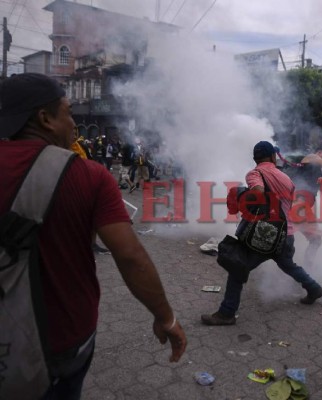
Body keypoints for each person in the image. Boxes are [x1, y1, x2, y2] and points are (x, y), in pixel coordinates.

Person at [0, 73, 187, 398]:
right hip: (60, 342)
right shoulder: (87, 175)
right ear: (45, 119)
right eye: (68, 112)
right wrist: (165, 316)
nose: (73, 123)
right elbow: (129, 255)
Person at [201, 141, 322, 326]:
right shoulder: (286, 179)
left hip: (265, 235)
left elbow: (258, 191)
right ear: (274, 157)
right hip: (286, 234)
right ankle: (314, 288)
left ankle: (227, 313)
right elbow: (287, 204)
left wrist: (245, 198)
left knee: (237, 267)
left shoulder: (255, 173)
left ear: (255, 159)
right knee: (288, 265)